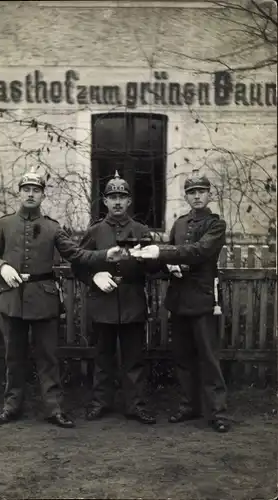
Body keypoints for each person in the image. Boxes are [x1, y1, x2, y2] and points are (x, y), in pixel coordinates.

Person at [0, 168, 124, 428]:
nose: (30, 194)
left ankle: (54, 409)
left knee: (48, 358)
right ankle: (11, 407)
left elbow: (77, 254)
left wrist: (105, 256)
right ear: (19, 193)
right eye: (26, 190)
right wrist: (2, 266)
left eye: (36, 190)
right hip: (11, 298)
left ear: (42, 195)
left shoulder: (52, 227)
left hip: (43, 299)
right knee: (13, 357)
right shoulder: (4, 224)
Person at [130, 170, 230, 433]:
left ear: (209, 195)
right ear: (186, 196)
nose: (197, 196)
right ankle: (188, 406)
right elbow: (172, 259)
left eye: (201, 192)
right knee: (183, 357)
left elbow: (200, 252)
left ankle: (217, 412)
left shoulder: (216, 225)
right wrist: (161, 263)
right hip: (179, 299)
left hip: (203, 299)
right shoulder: (180, 224)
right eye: (192, 192)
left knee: (208, 358)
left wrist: (163, 253)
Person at [71, 171, 159, 424]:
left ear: (129, 201)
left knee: (134, 358)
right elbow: (79, 264)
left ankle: (136, 405)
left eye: (122, 196)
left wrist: (150, 259)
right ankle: (101, 403)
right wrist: (94, 277)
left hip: (132, 300)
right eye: (113, 197)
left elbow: (153, 269)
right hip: (103, 302)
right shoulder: (95, 231)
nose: (118, 201)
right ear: (105, 202)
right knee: (102, 358)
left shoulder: (141, 230)